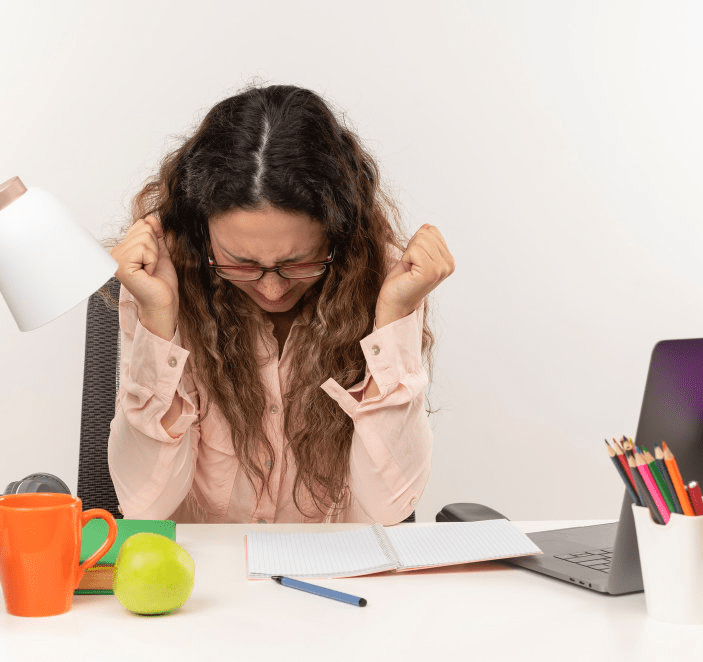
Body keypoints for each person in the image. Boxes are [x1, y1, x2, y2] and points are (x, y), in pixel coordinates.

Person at [107, 85, 454, 524]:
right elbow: (144, 505)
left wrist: (393, 319)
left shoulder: (387, 279)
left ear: (338, 234)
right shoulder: (162, 279)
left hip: (332, 565)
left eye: (297, 262)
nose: (272, 290)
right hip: (201, 565)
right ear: (201, 235)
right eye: (241, 263)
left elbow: (390, 506)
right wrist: (158, 320)